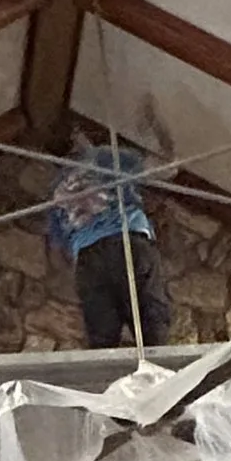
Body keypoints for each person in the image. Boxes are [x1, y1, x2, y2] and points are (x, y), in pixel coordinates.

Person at [47, 128, 173, 349]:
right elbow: (166, 169)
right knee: (150, 319)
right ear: (77, 139)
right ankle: (161, 366)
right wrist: (159, 131)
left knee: (102, 333)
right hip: (126, 241)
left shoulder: (56, 192)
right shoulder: (101, 157)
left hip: (87, 258)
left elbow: (59, 248)